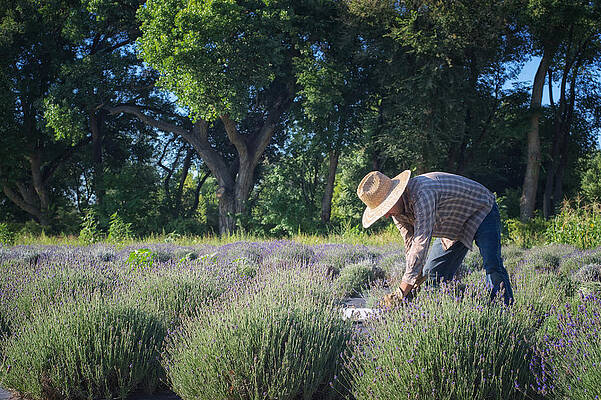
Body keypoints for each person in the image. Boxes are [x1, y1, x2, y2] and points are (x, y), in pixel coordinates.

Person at [357, 170, 514, 305]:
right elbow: (409, 244)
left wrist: (401, 291)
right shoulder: (395, 212)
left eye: (385, 207)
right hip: (452, 225)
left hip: (481, 210)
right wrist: (414, 279)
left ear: (395, 195)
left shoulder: (422, 192)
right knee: (432, 275)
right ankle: (449, 314)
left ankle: (504, 311)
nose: (385, 215)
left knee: (492, 264)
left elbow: (421, 241)